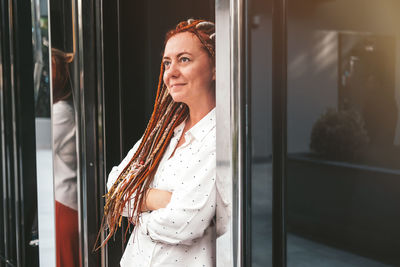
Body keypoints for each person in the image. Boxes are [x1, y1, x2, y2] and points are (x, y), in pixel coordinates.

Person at [101, 19, 217, 266]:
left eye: (184, 59)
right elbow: (114, 185)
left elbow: (184, 224)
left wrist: (136, 208)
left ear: (215, 68)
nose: (171, 72)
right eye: (167, 62)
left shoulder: (218, 137)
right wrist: (161, 201)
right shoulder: (164, 131)